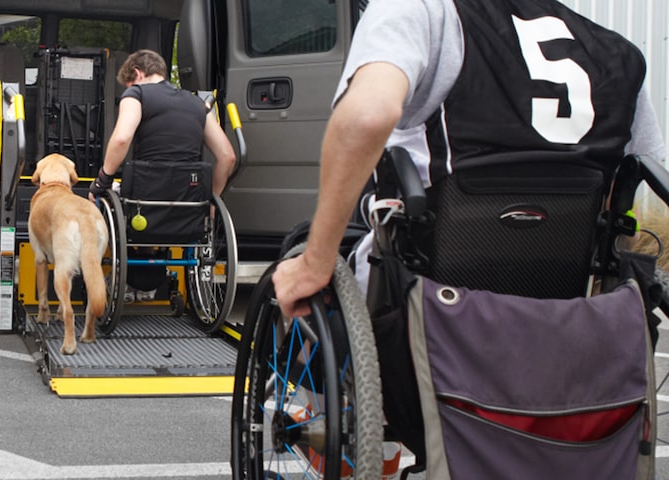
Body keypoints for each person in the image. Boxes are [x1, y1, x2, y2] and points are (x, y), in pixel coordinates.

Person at [272, 0, 666, 319]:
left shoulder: (420, 12)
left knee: (307, 246)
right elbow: (644, 174)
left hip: (427, 298)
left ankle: (304, 406)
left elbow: (366, 117)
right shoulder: (617, 53)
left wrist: (316, 261)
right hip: (561, 305)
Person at [89, 49, 237, 301]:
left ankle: (111, 278)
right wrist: (211, 200)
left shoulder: (136, 94)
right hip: (189, 202)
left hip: (143, 203)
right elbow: (228, 156)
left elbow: (122, 138)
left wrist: (101, 180)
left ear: (137, 73)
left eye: (129, 83)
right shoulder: (197, 105)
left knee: (100, 201)